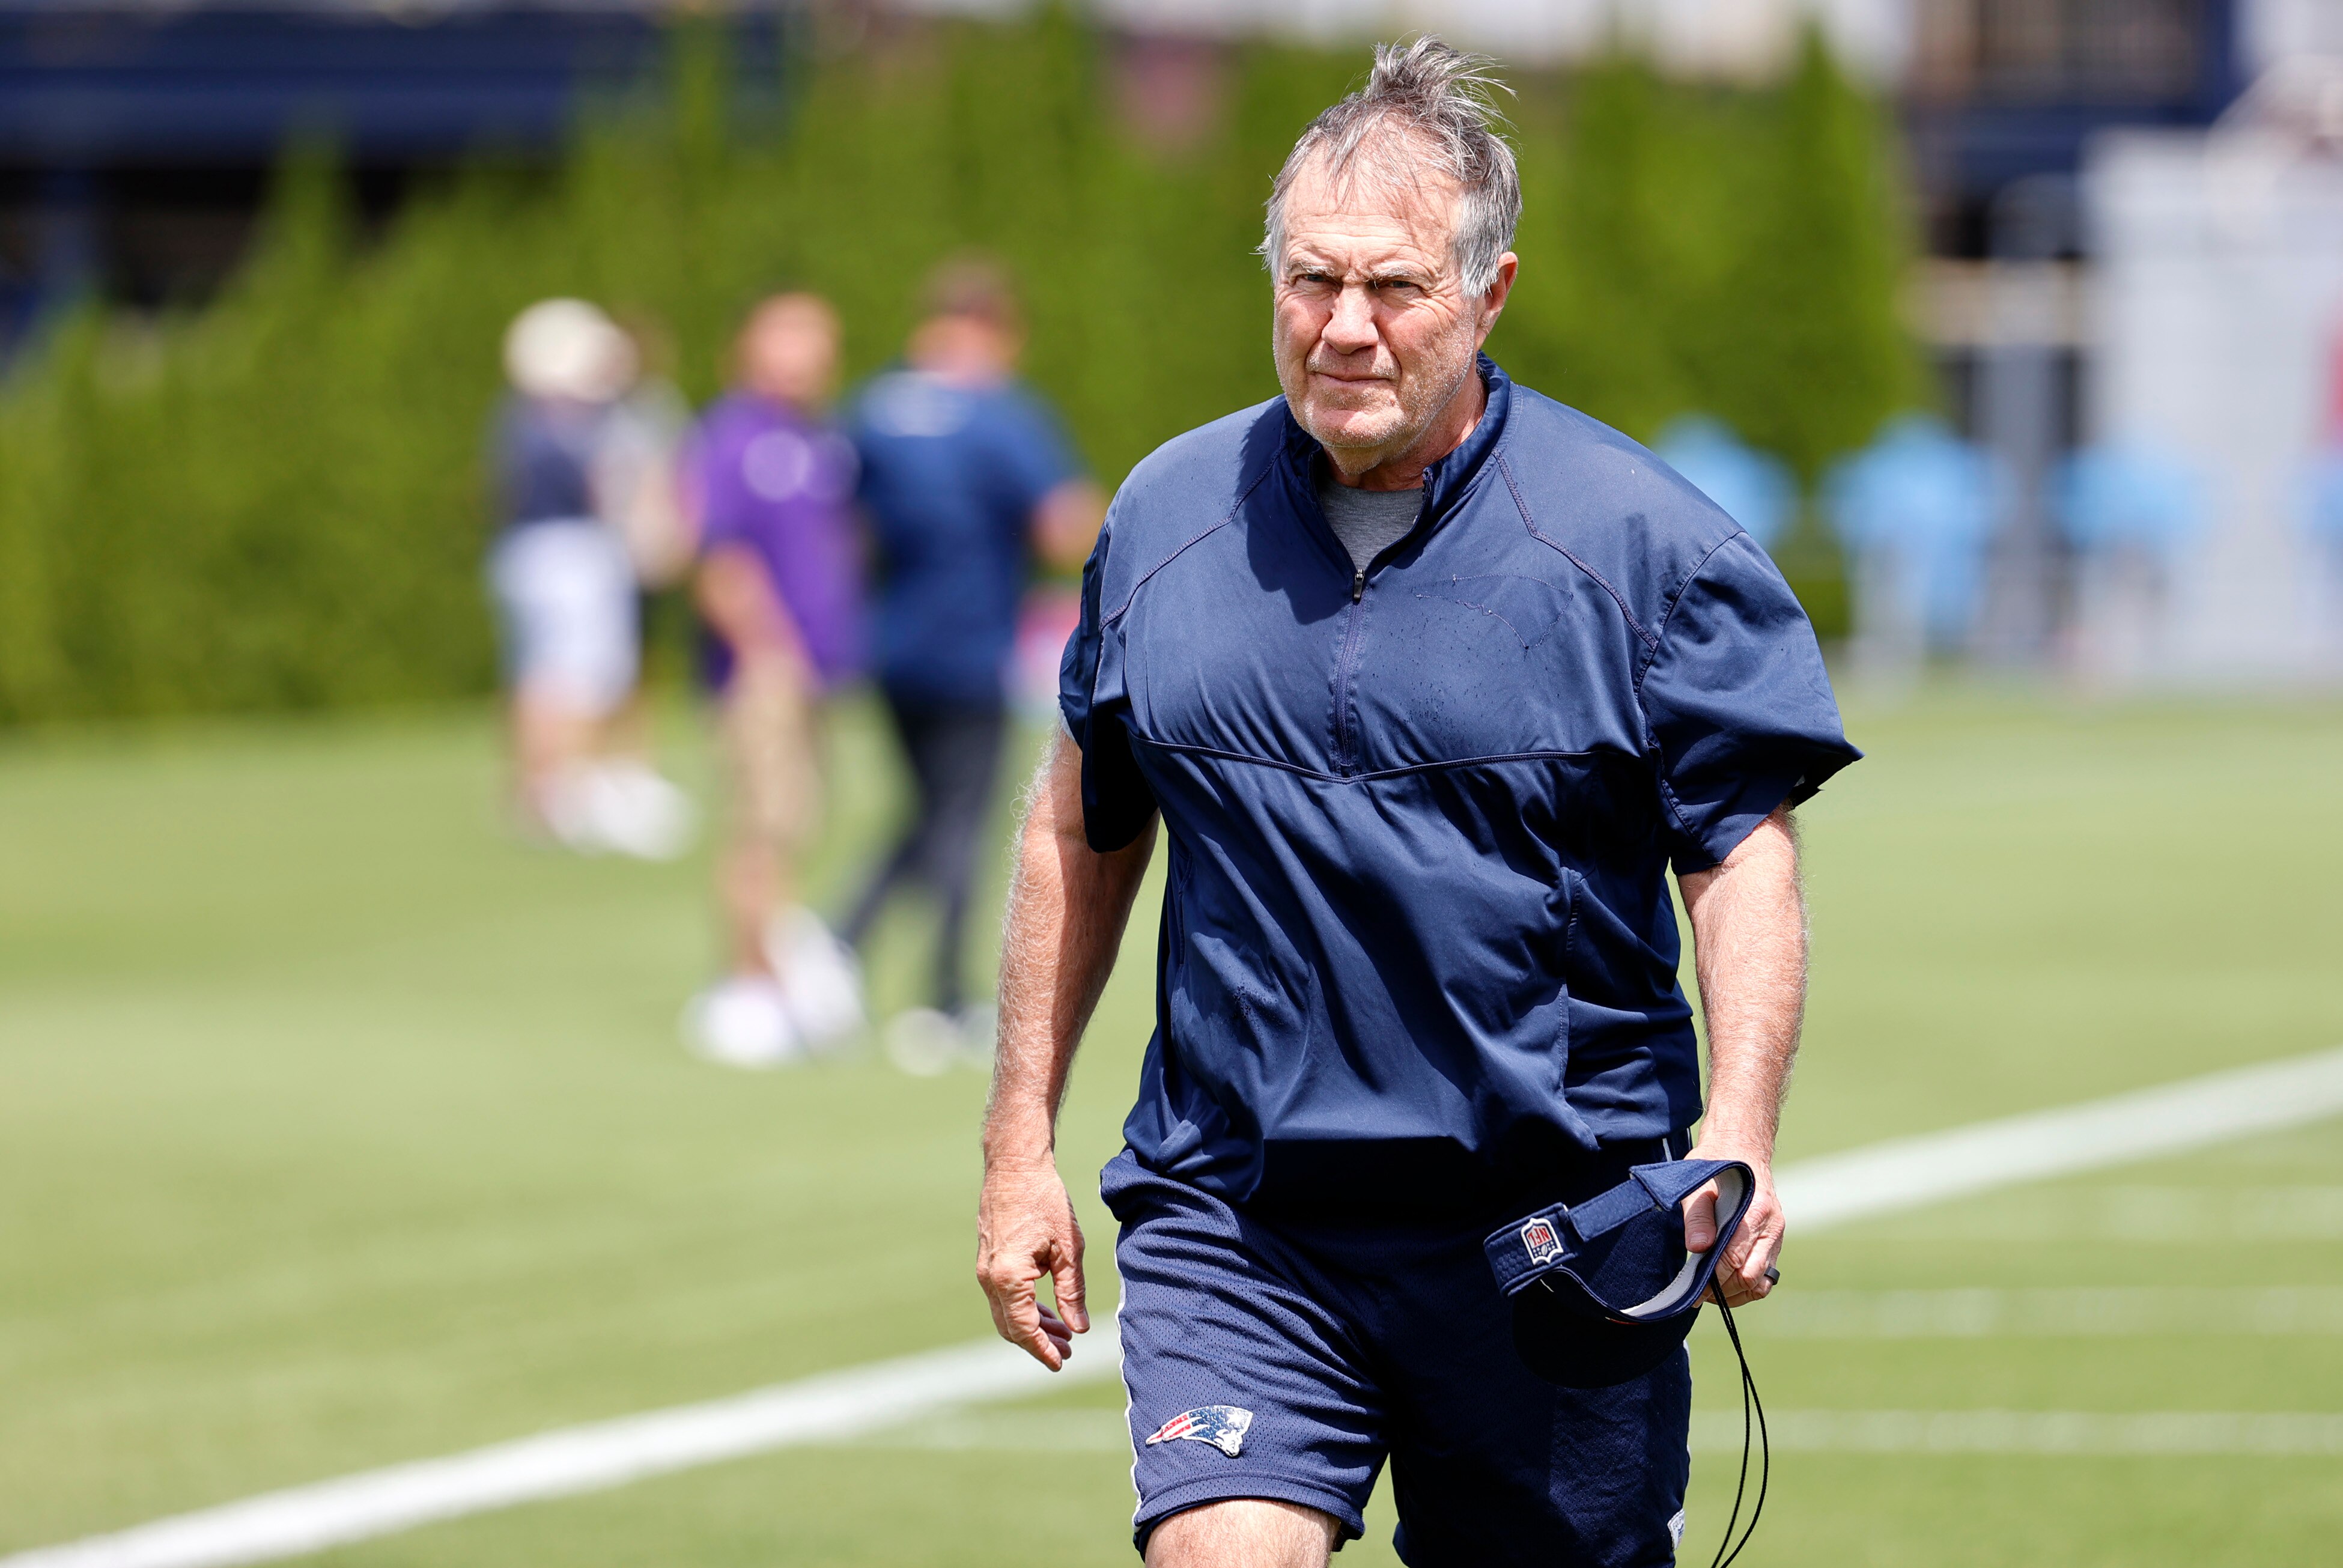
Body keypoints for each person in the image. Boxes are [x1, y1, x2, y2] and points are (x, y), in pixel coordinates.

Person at [977, 40, 1860, 1567]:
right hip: (1240, 1208)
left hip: (1547, 1222)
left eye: (1393, 289)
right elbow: (1081, 821)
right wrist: (1016, 1141)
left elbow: (1737, 849)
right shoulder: (1165, 521)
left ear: (1491, 292)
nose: (1343, 328)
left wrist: (1741, 1126)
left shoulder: (1647, 547)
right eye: (1310, 282)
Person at [840, 258, 1102, 1065]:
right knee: (960, 820)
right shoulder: (999, 415)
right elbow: (1065, 526)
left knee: (924, 809)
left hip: (891, 643)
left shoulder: (870, 408)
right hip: (969, 646)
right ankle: (942, 997)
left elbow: (846, 527)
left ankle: (835, 944)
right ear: (994, 328)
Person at [680, 294, 869, 1066]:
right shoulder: (732, 437)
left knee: (793, 826)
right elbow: (717, 562)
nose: (808, 355)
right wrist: (768, 651)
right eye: (790, 337)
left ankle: (773, 976)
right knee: (761, 830)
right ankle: (748, 989)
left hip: (815, 674)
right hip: (763, 674)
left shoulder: (821, 437)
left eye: (819, 339)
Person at [488, 297, 693, 860]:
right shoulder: (559, 421)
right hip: (571, 557)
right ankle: (563, 790)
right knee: (574, 677)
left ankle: (545, 789)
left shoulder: (519, 416)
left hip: (535, 554)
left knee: (545, 674)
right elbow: (602, 488)